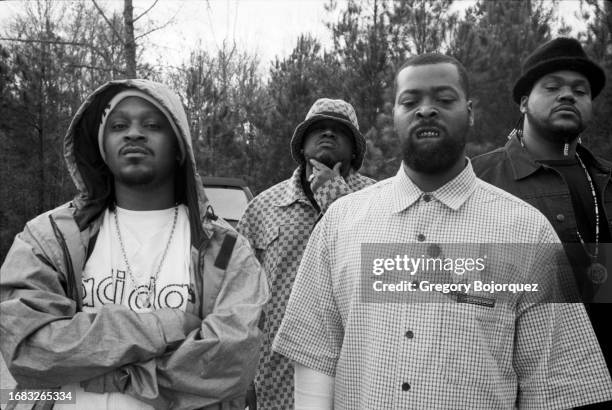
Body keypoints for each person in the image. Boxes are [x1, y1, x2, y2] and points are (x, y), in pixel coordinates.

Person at [273, 53, 612, 409]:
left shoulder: (527, 230)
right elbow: (315, 354)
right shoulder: (340, 224)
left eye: (444, 99)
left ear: (470, 111)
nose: (426, 110)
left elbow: (550, 384)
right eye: (410, 101)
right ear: (394, 115)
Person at [0, 79, 269, 409]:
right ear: (102, 146)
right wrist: (164, 326)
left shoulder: (224, 248)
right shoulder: (50, 235)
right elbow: (26, 346)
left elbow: (228, 360)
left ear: (179, 146)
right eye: (119, 125)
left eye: (153, 124)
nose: (134, 133)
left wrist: (97, 368)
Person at [472, 37, 612, 406]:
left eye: (579, 90)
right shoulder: (478, 179)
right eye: (552, 87)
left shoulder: (607, 179)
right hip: (527, 387)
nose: (567, 95)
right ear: (523, 102)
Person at [237, 98, 375, 409]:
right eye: (318, 129)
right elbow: (238, 296)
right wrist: (242, 374)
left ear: (354, 149)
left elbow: (383, 275)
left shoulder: (377, 200)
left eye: (339, 130)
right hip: (275, 370)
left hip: (357, 364)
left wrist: (334, 192)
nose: (328, 133)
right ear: (302, 145)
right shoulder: (263, 207)